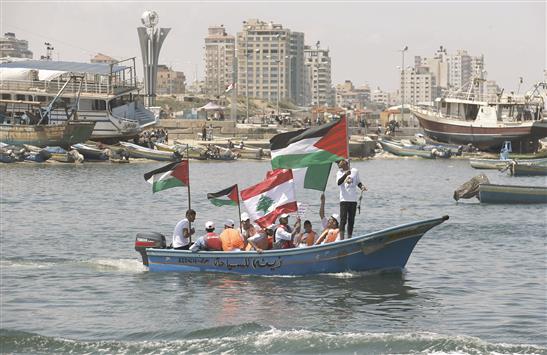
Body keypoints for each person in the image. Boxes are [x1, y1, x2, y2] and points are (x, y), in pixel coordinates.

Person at [336, 159, 367, 239]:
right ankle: (342, 239)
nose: (340, 166)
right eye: (339, 165)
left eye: (341, 164)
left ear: (346, 163)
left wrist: (362, 187)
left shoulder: (355, 171)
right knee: (343, 220)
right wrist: (345, 174)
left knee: (351, 220)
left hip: (353, 200)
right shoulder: (339, 172)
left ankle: (349, 237)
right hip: (344, 200)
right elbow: (338, 183)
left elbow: (358, 182)